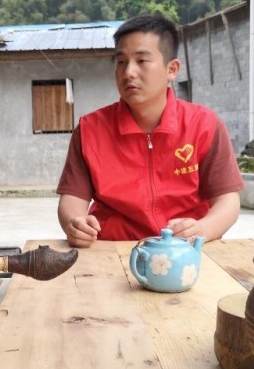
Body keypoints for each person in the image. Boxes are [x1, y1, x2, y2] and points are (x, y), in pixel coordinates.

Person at [56, 13, 244, 248]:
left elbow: (228, 201)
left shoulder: (205, 126)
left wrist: (204, 228)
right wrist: (75, 223)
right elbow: (72, 199)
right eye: (121, 62)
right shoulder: (90, 129)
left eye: (142, 61)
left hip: (185, 249)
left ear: (172, 69)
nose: (128, 72)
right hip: (112, 249)